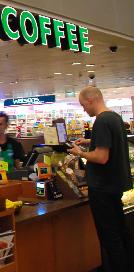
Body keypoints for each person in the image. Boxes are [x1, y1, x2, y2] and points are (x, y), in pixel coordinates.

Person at [69, 86, 133, 272]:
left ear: (91, 100)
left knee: (109, 237)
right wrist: (90, 142)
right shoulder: (114, 117)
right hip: (114, 185)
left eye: (83, 105)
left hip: (102, 188)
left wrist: (80, 152)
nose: (83, 109)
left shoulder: (101, 121)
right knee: (121, 232)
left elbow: (102, 157)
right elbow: (110, 143)